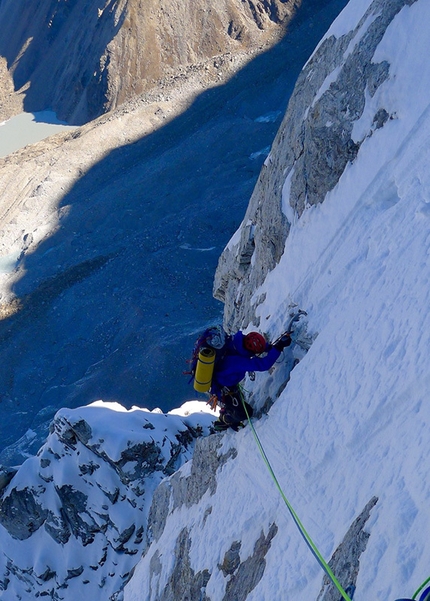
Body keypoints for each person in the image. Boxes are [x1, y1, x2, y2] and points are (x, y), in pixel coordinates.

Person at [209, 330, 292, 431]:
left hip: (226, 382)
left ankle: (228, 409)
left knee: (238, 401)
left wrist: (271, 346)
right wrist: (278, 347)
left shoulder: (236, 342)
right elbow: (263, 364)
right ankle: (226, 419)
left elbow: (254, 345)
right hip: (221, 389)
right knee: (246, 413)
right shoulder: (237, 361)